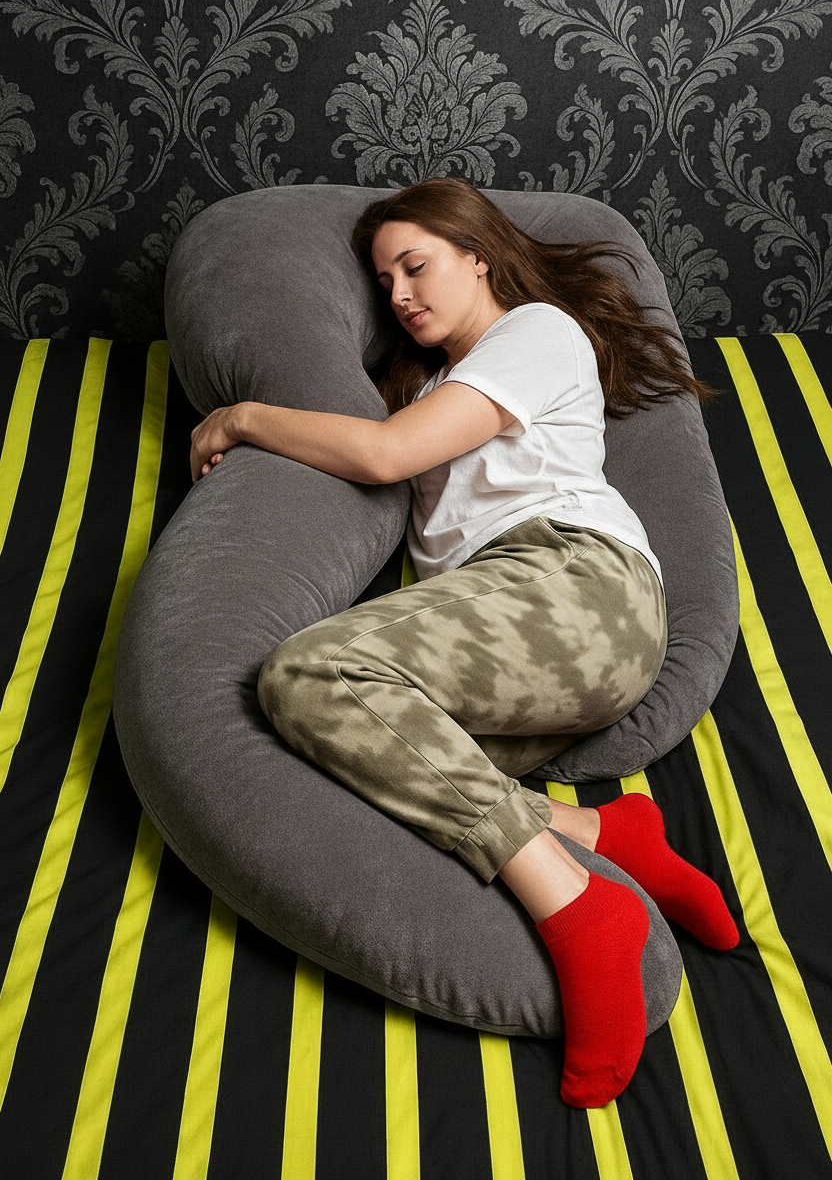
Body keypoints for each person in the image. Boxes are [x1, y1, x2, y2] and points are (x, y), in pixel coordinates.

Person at [189, 177, 739, 1109]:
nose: (400, 294)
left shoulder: (535, 332)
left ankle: (581, 905)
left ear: (478, 256)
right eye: (384, 280)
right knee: (340, 756)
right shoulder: (437, 387)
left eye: (418, 264)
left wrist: (240, 416)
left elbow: (383, 455)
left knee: (311, 674)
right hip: (512, 639)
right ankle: (605, 836)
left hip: (579, 581)